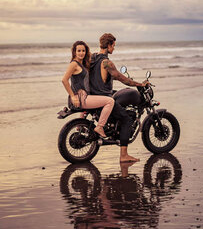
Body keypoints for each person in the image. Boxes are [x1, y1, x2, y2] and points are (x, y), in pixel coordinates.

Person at [89, 33, 147, 163]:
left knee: (118, 95)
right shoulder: (107, 63)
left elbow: (97, 76)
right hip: (103, 97)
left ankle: (112, 128)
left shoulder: (92, 58)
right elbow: (122, 79)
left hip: (94, 95)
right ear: (108, 45)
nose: (114, 48)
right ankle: (124, 155)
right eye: (113, 45)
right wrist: (139, 84)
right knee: (126, 119)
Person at [62, 40, 115, 138]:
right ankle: (100, 126)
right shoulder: (74, 64)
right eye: (78, 51)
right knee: (110, 101)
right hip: (80, 98)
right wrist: (73, 96)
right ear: (74, 52)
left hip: (84, 96)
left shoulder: (82, 63)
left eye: (83, 51)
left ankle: (80, 125)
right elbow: (64, 80)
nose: (81, 53)